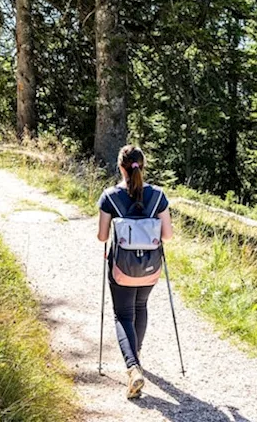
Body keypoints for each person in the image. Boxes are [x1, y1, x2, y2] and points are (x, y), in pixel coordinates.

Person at [96, 144, 173, 399]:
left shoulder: (110, 197)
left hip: (122, 267)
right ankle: (135, 358)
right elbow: (168, 236)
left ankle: (132, 367)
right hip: (150, 267)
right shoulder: (158, 196)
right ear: (143, 165)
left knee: (122, 315)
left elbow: (102, 236)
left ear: (120, 167)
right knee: (141, 308)